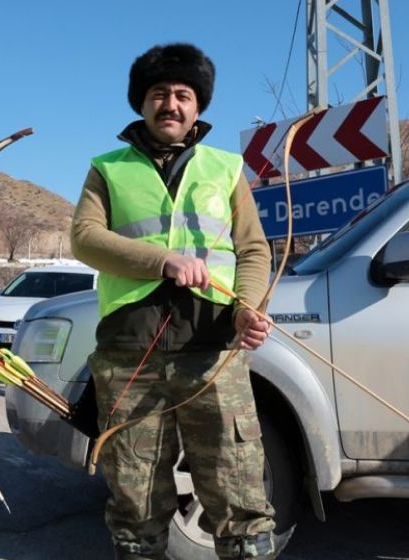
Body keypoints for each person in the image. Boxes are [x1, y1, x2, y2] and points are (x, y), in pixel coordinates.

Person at [70, 43, 276, 560]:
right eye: (159, 94)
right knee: (135, 505)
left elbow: (253, 249)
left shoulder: (227, 169)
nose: (171, 104)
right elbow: (85, 238)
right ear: (141, 103)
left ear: (198, 106)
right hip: (127, 356)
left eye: (183, 95)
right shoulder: (107, 168)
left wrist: (248, 307)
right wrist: (161, 260)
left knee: (240, 497)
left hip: (213, 353)